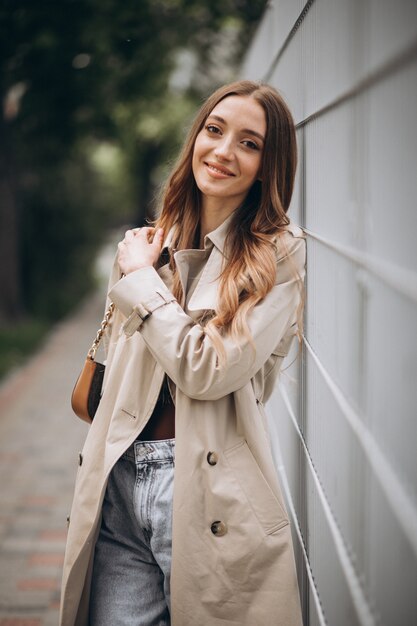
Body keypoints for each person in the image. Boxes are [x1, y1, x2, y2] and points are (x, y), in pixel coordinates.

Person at [60, 80, 306, 626]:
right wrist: (137, 271)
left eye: (249, 143)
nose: (222, 152)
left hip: (207, 491)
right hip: (119, 482)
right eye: (214, 131)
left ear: (269, 165)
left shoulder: (278, 257)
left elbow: (207, 370)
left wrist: (141, 282)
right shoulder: (149, 242)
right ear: (196, 136)